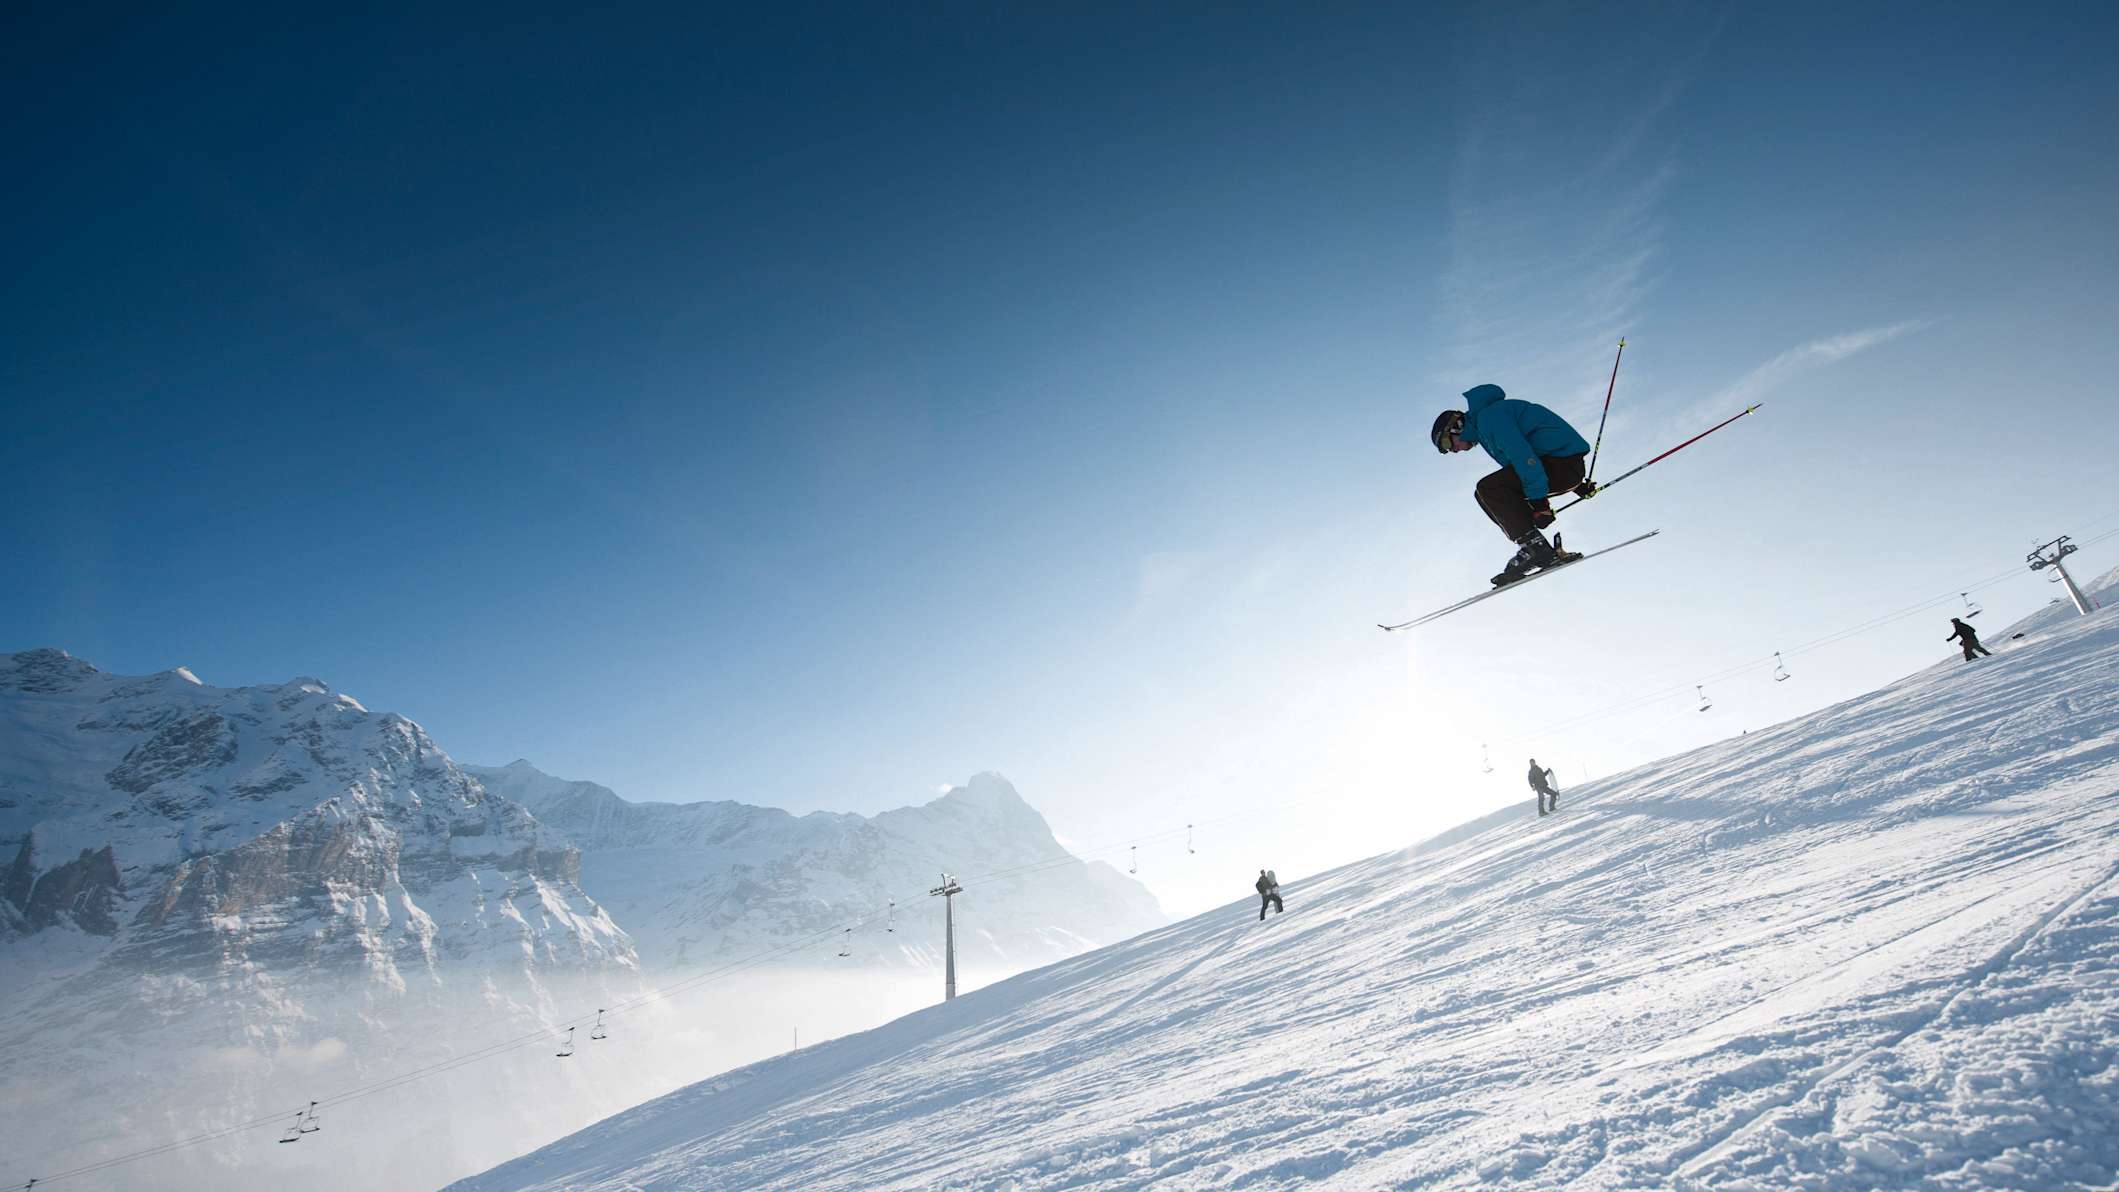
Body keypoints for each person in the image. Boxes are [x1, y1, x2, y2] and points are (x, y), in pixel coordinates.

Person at [1432, 384, 1594, 586]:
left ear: (1455, 427)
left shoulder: (1490, 418)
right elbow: (1523, 466)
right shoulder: (1485, 427)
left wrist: (1540, 505)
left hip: (1562, 465)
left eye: (1448, 444)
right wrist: (1577, 486)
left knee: (1489, 488)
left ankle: (1535, 547)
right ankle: (1534, 546)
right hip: (1561, 466)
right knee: (1485, 493)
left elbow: (1524, 459)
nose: (1453, 451)